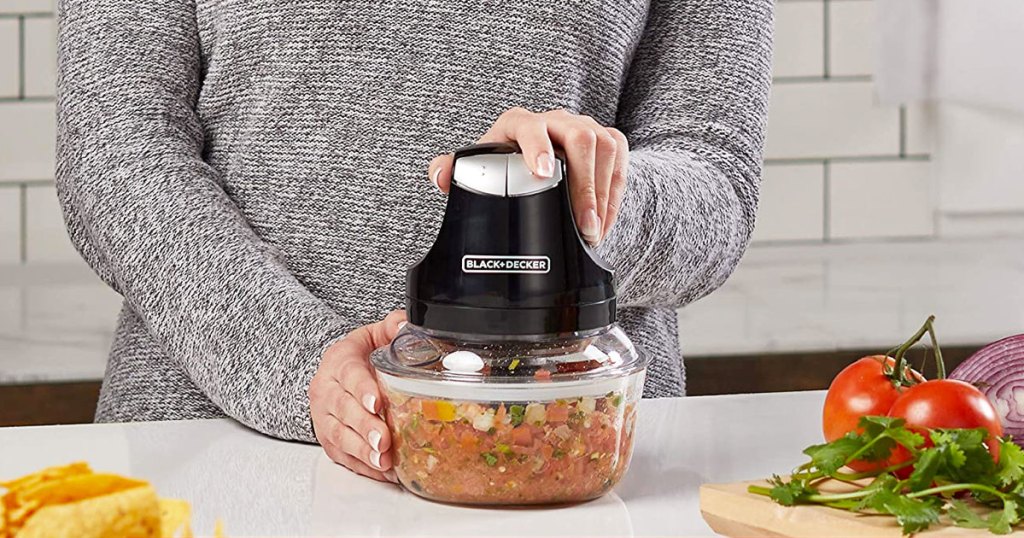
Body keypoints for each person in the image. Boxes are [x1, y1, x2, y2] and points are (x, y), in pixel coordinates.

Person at [56, 0, 772, 483]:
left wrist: (587, 200)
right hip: (218, 455)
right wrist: (303, 365)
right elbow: (116, 149)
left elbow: (715, 177)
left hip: (565, 454)